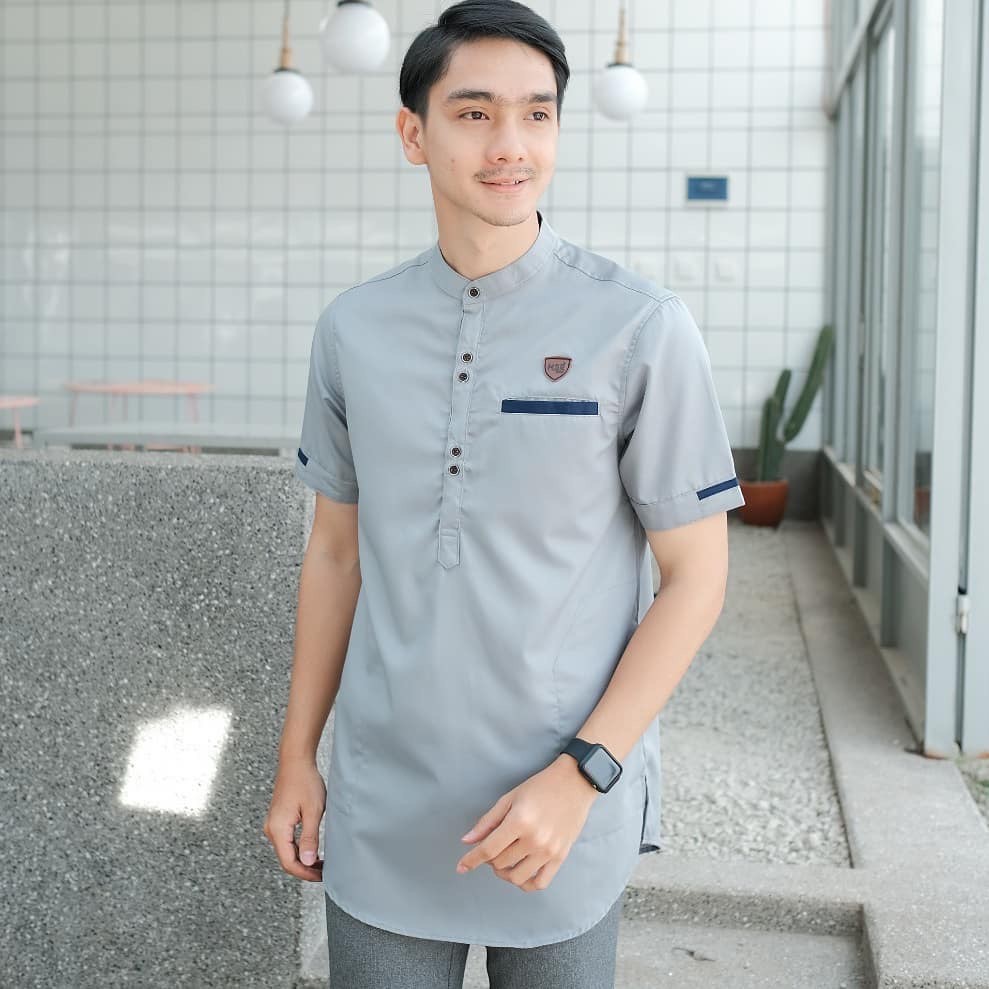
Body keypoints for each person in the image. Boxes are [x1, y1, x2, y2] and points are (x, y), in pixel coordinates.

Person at [263, 1, 745, 986]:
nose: (509, 144)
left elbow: (696, 578)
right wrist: (296, 755)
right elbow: (335, 554)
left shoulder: (640, 326)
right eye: (474, 113)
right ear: (413, 133)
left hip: (560, 800)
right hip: (384, 800)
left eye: (536, 114)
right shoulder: (353, 328)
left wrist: (585, 771)